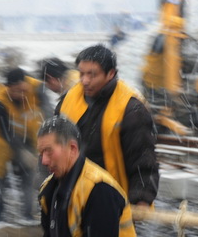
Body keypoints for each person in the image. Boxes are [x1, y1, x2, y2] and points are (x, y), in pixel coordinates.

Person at [57, 45, 159, 206]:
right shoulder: (68, 101)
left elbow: (143, 158)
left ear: (110, 74)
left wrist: (141, 198)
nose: (85, 81)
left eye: (92, 75)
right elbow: (54, 141)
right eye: (81, 74)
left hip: (111, 199)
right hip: (71, 197)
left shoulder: (131, 109)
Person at [0, 67, 45, 222]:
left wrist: (37, 148)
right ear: (7, 87)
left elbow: (48, 115)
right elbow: (6, 132)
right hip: (1, 142)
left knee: (28, 177)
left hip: (29, 138)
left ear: (26, 83)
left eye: (22, 90)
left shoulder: (37, 90)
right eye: (14, 91)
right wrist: (21, 152)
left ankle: (27, 215)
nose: (19, 94)